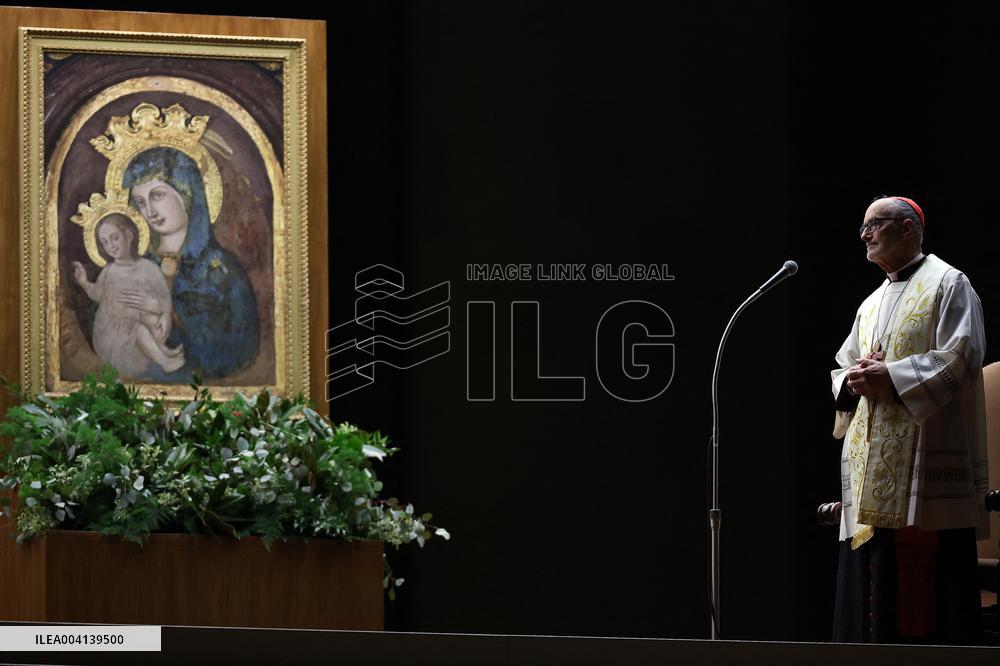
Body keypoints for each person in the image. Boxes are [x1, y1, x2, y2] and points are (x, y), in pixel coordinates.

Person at [830, 195, 990, 644]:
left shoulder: (949, 284)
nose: (864, 234)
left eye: (874, 224)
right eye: (862, 227)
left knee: (924, 596)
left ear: (907, 229)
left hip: (923, 465)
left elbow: (961, 357)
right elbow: (843, 364)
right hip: (871, 468)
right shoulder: (871, 302)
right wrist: (855, 378)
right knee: (869, 581)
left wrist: (893, 377)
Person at [122, 147, 259, 380]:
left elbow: (240, 346)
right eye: (140, 202)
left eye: (157, 195)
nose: (150, 211)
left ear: (186, 193)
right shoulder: (136, 266)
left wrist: (172, 312)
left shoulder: (222, 270)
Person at [72, 214, 185, 377]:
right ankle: (164, 361)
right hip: (113, 334)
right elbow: (98, 295)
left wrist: (164, 313)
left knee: (153, 321)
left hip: (138, 323)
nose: (111, 246)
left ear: (129, 236)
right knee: (139, 329)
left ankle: (164, 350)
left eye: (114, 238)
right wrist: (84, 283)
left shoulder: (148, 268)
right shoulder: (109, 272)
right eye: (105, 242)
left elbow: (164, 298)